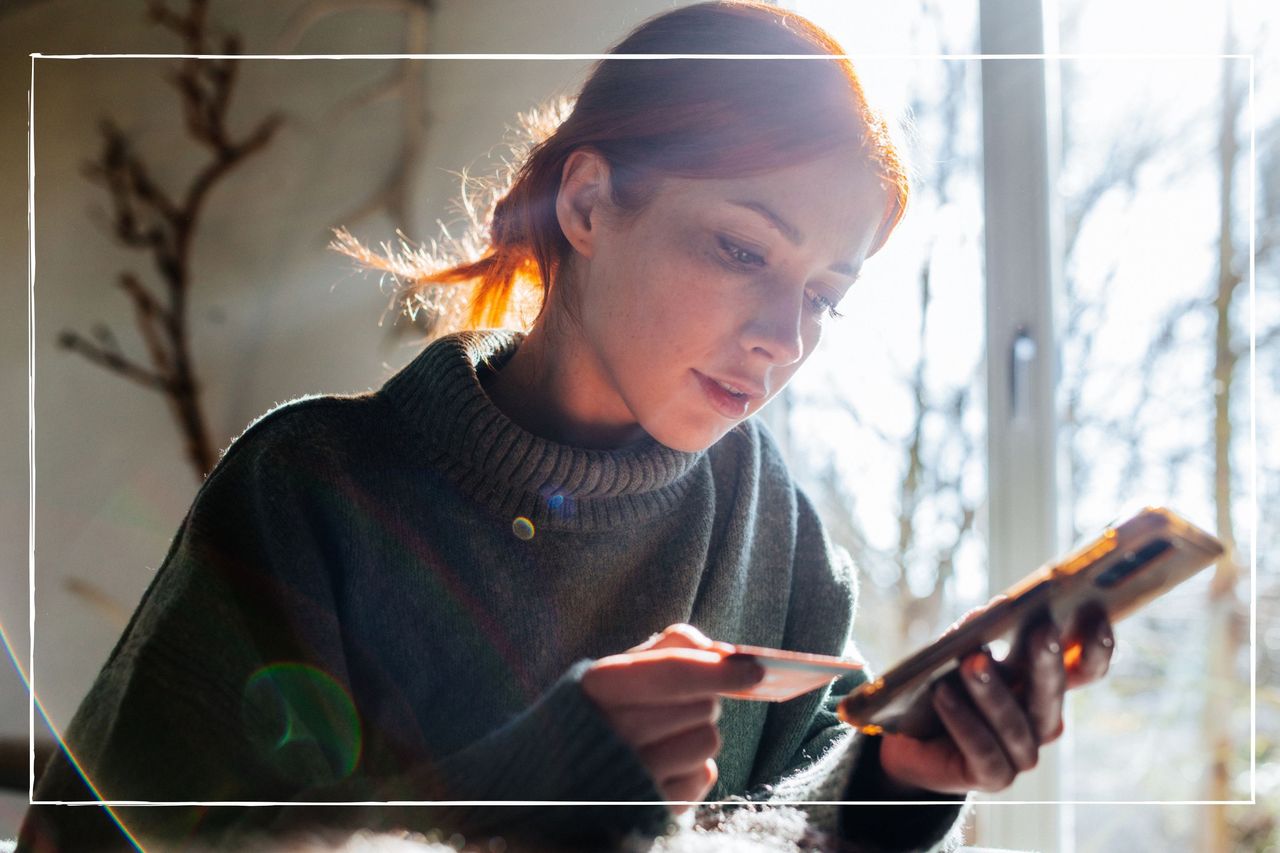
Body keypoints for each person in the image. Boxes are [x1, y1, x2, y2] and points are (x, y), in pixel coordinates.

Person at [21, 2, 1115, 851]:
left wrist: (894, 782)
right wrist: (535, 793)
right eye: (742, 251)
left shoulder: (771, 523)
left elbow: (799, 820)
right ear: (587, 205)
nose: (785, 334)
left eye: (824, 293)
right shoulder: (310, 486)